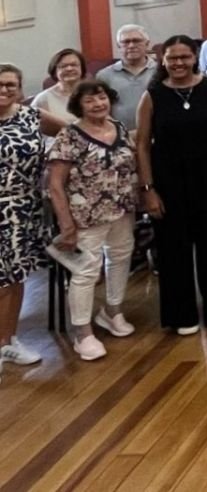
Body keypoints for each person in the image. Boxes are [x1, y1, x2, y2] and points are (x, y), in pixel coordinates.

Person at [135, 36, 207, 334]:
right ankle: (181, 313)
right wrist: (148, 189)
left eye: (184, 57)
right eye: (172, 58)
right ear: (163, 61)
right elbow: (141, 145)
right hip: (168, 179)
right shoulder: (152, 95)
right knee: (173, 246)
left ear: (194, 57)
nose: (178, 63)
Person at [46, 80, 138, 360]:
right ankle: (82, 332)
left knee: (121, 257)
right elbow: (55, 185)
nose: (98, 104)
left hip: (122, 209)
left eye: (101, 98)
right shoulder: (69, 136)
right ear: (79, 106)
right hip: (85, 216)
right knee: (86, 271)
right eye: (90, 101)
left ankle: (112, 311)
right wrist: (66, 224)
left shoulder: (119, 128)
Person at [0, 64, 64, 378]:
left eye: (11, 84)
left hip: (24, 206)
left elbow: (70, 135)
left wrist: (55, 171)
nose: (5, 90)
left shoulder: (30, 116)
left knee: (15, 276)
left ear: (20, 87)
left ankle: (8, 341)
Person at [97, 24, 157, 134]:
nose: (131, 45)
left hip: (157, 135)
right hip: (119, 138)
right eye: (126, 42)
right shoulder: (104, 75)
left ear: (147, 44)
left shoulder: (160, 72)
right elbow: (100, 109)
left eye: (136, 41)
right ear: (119, 46)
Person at [34, 48, 86, 121]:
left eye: (74, 65)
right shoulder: (43, 99)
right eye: (63, 66)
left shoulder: (93, 93)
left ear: (82, 68)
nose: (69, 69)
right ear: (55, 71)